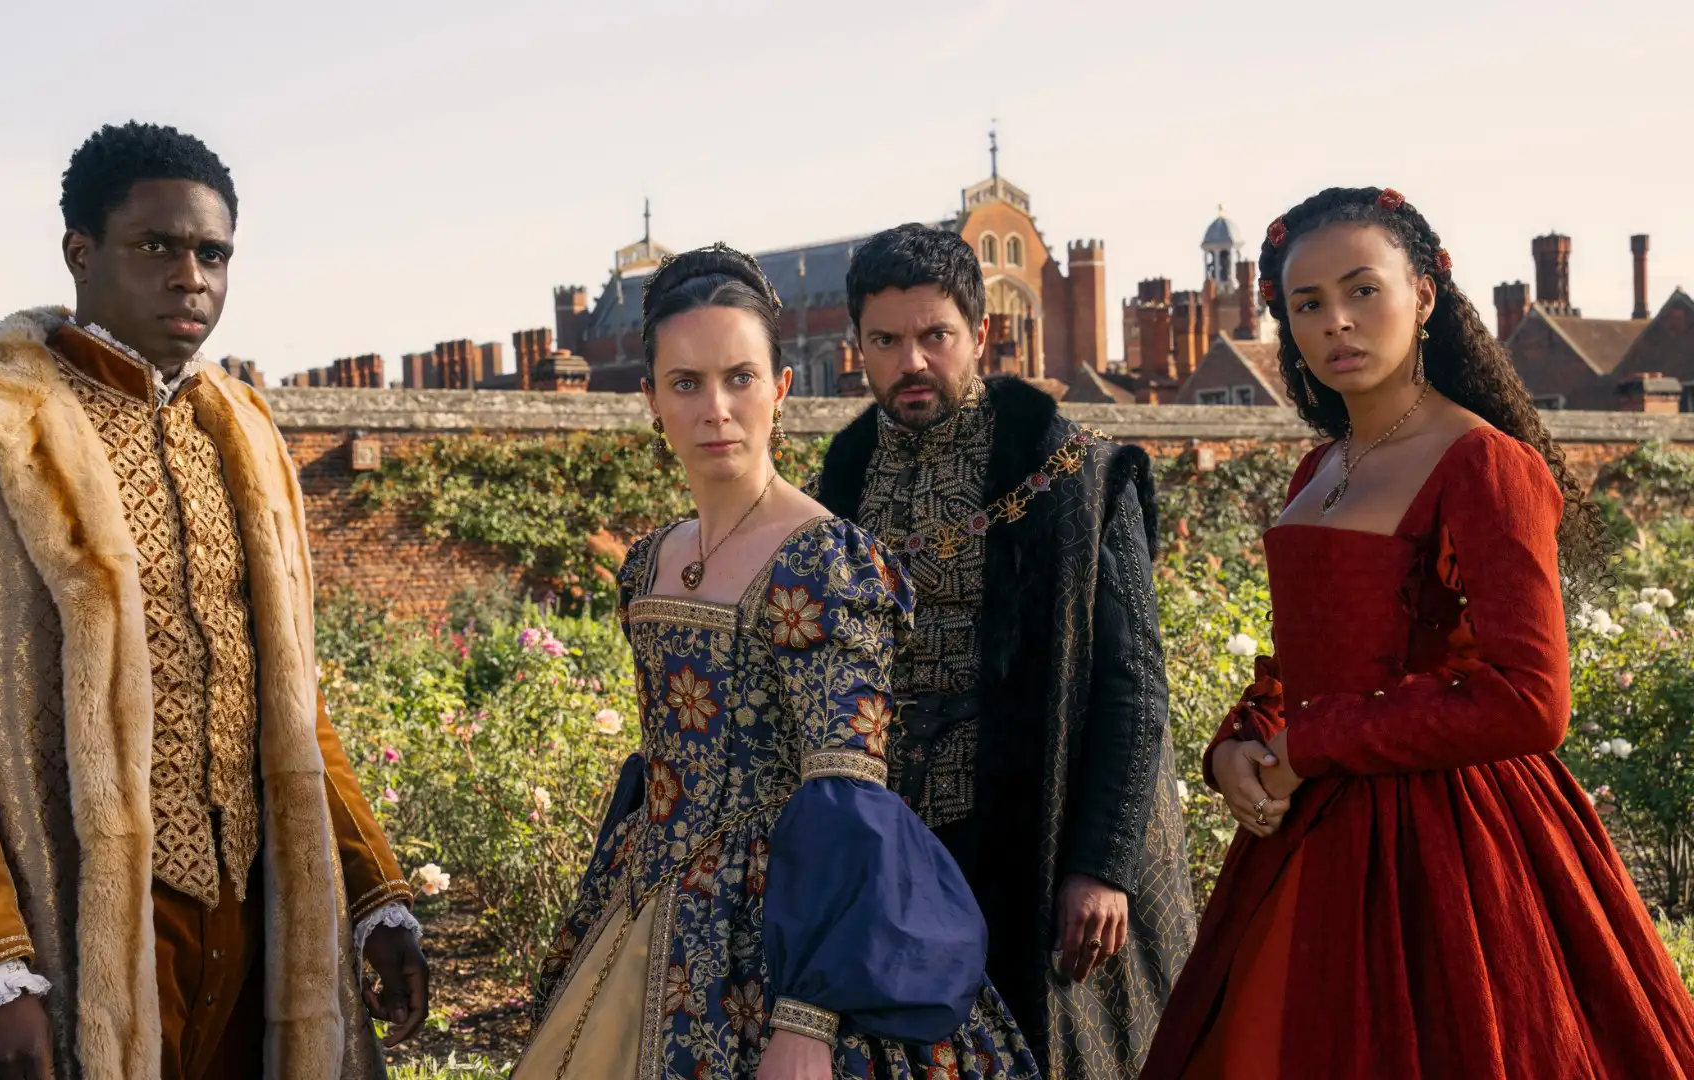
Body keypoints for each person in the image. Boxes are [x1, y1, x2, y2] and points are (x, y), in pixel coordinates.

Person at [0, 122, 428, 1079]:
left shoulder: (244, 434)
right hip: (68, 923)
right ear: (81, 252)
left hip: (258, 933)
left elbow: (289, 700)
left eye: (214, 254)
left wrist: (374, 893)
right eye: (156, 246)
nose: (190, 276)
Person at [1142, 187, 1694, 1079]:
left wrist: (1311, 745)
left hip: (1454, 851)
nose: (1338, 324)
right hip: (1306, 839)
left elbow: (1529, 700)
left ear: (1425, 295)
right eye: (1309, 305)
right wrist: (1240, 742)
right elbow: (1309, 657)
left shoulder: (1483, 462)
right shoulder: (1319, 468)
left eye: (1364, 291)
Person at [516, 244, 1040, 1080]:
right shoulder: (649, 563)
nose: (715, 408)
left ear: (781, 388)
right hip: (644, 902)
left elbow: (851, 795)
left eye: (740, 378)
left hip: (785, 935)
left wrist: (806, 1021)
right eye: (685, 383)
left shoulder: (824, 562)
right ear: (649, 400)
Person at [810, 223, 1194, 1078]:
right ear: (858, 348)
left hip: (1034, 825)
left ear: (980, 335)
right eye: (887, 340)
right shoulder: (837, 482)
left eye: (933, 335)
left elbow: (1133, 686)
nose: (911, 360)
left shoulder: (1072, 472)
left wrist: (1101, 865)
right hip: (890, 840)